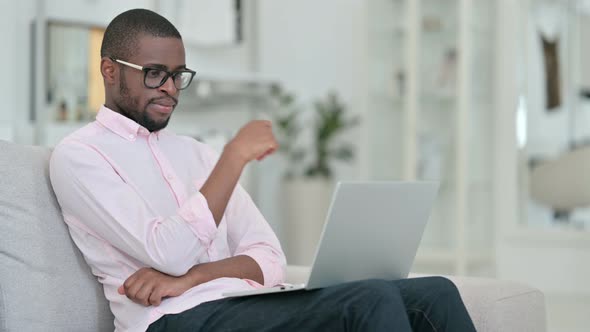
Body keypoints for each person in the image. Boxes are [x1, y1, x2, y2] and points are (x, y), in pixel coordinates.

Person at [49, 8, 476, 332]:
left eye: (178, 76)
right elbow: (166, 251)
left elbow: (270, 259)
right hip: (174, 320)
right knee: (369, 299)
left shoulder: (196, 154)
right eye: (155, 74)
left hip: (242, 302)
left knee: (436, 292)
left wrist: (195, 276)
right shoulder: (80, 156)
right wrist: (233, 157)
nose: (169, 89)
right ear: (109, 70)